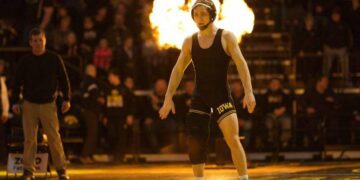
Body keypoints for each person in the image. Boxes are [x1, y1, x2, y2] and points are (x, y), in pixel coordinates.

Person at [159, 1, 256, 179]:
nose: (199, 18)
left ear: (212, 15)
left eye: (203, 14)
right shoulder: (190, 41)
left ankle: (244, 178)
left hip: (221, 95)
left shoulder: (226, 37)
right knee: (195, 140)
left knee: (233, 139)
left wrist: (248, 91)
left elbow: (242, 64)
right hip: (200, 97)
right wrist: (168, 97)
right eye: (196, 14)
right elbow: (178, 69)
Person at [12, 28, 70, 180]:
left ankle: (61, 170)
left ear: (45, 41)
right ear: (30, 42)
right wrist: (14, 102)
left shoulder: (54, 58)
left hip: (48, 104)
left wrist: (67, 99)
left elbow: (64, 80)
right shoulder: (25, 61)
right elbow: (16, 82)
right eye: (35, 40)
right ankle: (28, 171)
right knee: (29, 139)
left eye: (40, 40)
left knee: (54, 137)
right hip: (29, 103)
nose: (38, 43)